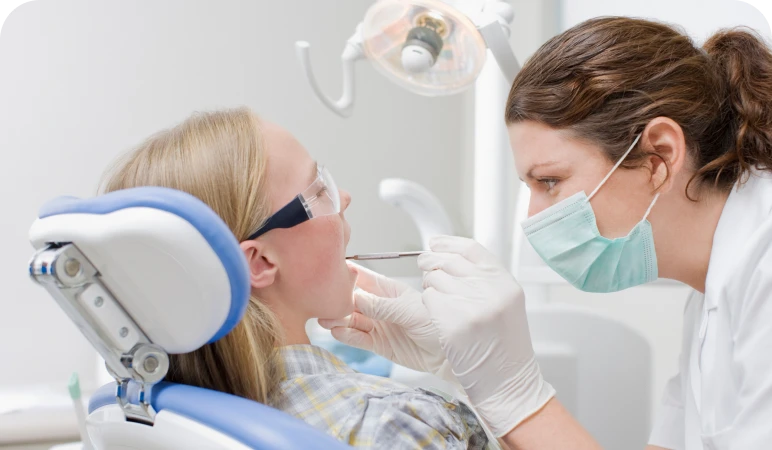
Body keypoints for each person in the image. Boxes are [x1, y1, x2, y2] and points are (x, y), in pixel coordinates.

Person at [325, 17, 772, 450]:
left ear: (659, 156)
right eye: (529, 187)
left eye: (551, 181)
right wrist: (468, 371)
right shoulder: (710, 297)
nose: (534, 215)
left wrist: (515, 393)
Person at [100, 108, 490, 449]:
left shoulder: (156, 414)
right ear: (258, 263)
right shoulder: (392, 424)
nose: (346, 197)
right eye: (319, 192)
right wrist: (490, 382)